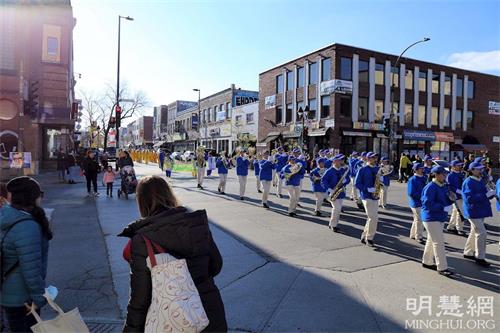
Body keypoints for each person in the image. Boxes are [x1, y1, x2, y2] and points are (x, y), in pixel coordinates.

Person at [119, 176, 227, 332]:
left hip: (171, 321)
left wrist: (130, 329)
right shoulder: (196, 224)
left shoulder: (143, 240)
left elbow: (140, 299)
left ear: (141, 201)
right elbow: (216, 265)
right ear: (169, 194)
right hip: (208, 312)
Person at [1, 177, 52, 332]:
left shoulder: (8, 217)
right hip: (23, 298)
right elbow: (31, 269)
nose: (41, 197)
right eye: (39, 193)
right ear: (31, 197)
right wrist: (38, 298)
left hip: (8, 293)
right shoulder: (27, 226)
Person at [421, 166, 454, 277]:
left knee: (432, 240)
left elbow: (446, 199)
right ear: (436, 174)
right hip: (431, 218)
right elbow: (426, 204)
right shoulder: (430, 187)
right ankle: (442, 267)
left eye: (445, 174)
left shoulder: (444, 186)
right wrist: (442, 207)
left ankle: (427, 261)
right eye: (443, 174)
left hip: (439, 216)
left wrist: (450, 199)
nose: (445, 176)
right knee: (439, 242)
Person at [461, 162, 494, 267]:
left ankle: (468, 252)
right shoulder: (468, 182)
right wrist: (485, 195)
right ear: (472, 170)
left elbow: (485, 194)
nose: (481, 170)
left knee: (473, 232)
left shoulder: (480, 180)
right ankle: (480, 257)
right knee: (482, 233)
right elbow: (469, 199)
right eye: (478, 169)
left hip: (480, 210)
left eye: (481, 169)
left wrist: (491, 194)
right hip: (473, 211)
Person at [355, 152, 380, 246]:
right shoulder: (362, 169)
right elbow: (357, 183)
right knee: (373, 217)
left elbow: (381, 180)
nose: (375, 159)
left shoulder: (378, 169)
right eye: (373, 158)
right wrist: (367, 189)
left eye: (375, 157)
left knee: (371, 218)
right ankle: (369, 238)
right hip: (366, 196)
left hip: (375, 196)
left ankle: (364, 235)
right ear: (368, 159)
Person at [322, 154, 350, 231]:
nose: (342, 161)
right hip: (332, 192)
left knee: (338, 209)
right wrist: (329, 189)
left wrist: (345, 181)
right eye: (340, 160)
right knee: (336, 208)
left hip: (340, 192)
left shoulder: (342, 170)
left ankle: (333, 224)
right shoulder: (329, 171)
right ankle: (333, 225)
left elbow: (348, 179)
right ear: (334, 161)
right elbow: (323, 181)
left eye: (342, 160)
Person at [446, 160, 466, 236]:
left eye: (460, 165)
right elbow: (449, 186)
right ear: (453, 166)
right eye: (458, 165)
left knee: (456, 212)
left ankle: (450, 226)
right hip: (456, 196)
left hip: (462, 195)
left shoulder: (461, 174)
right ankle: (459, 229)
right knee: (461, 212)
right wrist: (458, 191)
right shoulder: (450, 175)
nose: (460, 166)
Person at [408, 163, 427, 243]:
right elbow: (411, 193)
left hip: (421, 202)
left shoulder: (424, 178)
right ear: (416, 170)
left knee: (416, 219)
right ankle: (418, 236)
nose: (422, 169)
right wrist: (422, 197)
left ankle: (413, 234)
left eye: (423, 168)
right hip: (416, 203)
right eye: (421, 168)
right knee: (420, 219)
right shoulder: (412, 179)